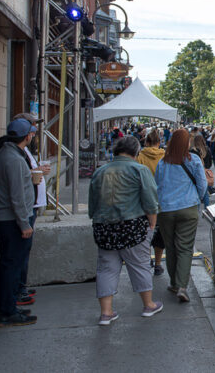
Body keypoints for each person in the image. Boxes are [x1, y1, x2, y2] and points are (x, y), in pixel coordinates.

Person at [88, 136, 163, 325]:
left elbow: (92, 203)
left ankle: (106, 312)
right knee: (139, 265)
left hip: (104, 226)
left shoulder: (100, 171)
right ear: (135, 152)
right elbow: (150, 201)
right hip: (133, 225)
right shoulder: (139, 170)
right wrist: (152, 223)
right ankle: (148, 305)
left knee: (106, 269)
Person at [0, 113, 49, 308]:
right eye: (31, 131)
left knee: (9, 264)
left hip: (6, 218)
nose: (33, 134)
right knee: (12, 265)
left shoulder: (6, 154)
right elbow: (16, 195)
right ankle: (7, 310)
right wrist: (24, 223)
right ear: (27, 136)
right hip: (12, 220)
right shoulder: (13, 159)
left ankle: (9, 305)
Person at [154, 129, 207, 303]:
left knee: (170, 247)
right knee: (185, 248)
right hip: (188, 207)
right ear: (186, 143)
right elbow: (202, 184)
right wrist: (195, 199)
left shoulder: (163, 163)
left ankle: (174, 283)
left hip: (166, 210)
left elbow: (157, 186)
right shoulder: (194, 160)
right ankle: (182, 286)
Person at [136, 129, 167, 277]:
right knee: (160, 234)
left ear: (146, 142)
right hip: (161, 199)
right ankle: (158, 264)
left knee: (145, 231)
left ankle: (147, 259)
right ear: (159, 142)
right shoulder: (165, 156)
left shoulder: (140, 157)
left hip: (144, 200)